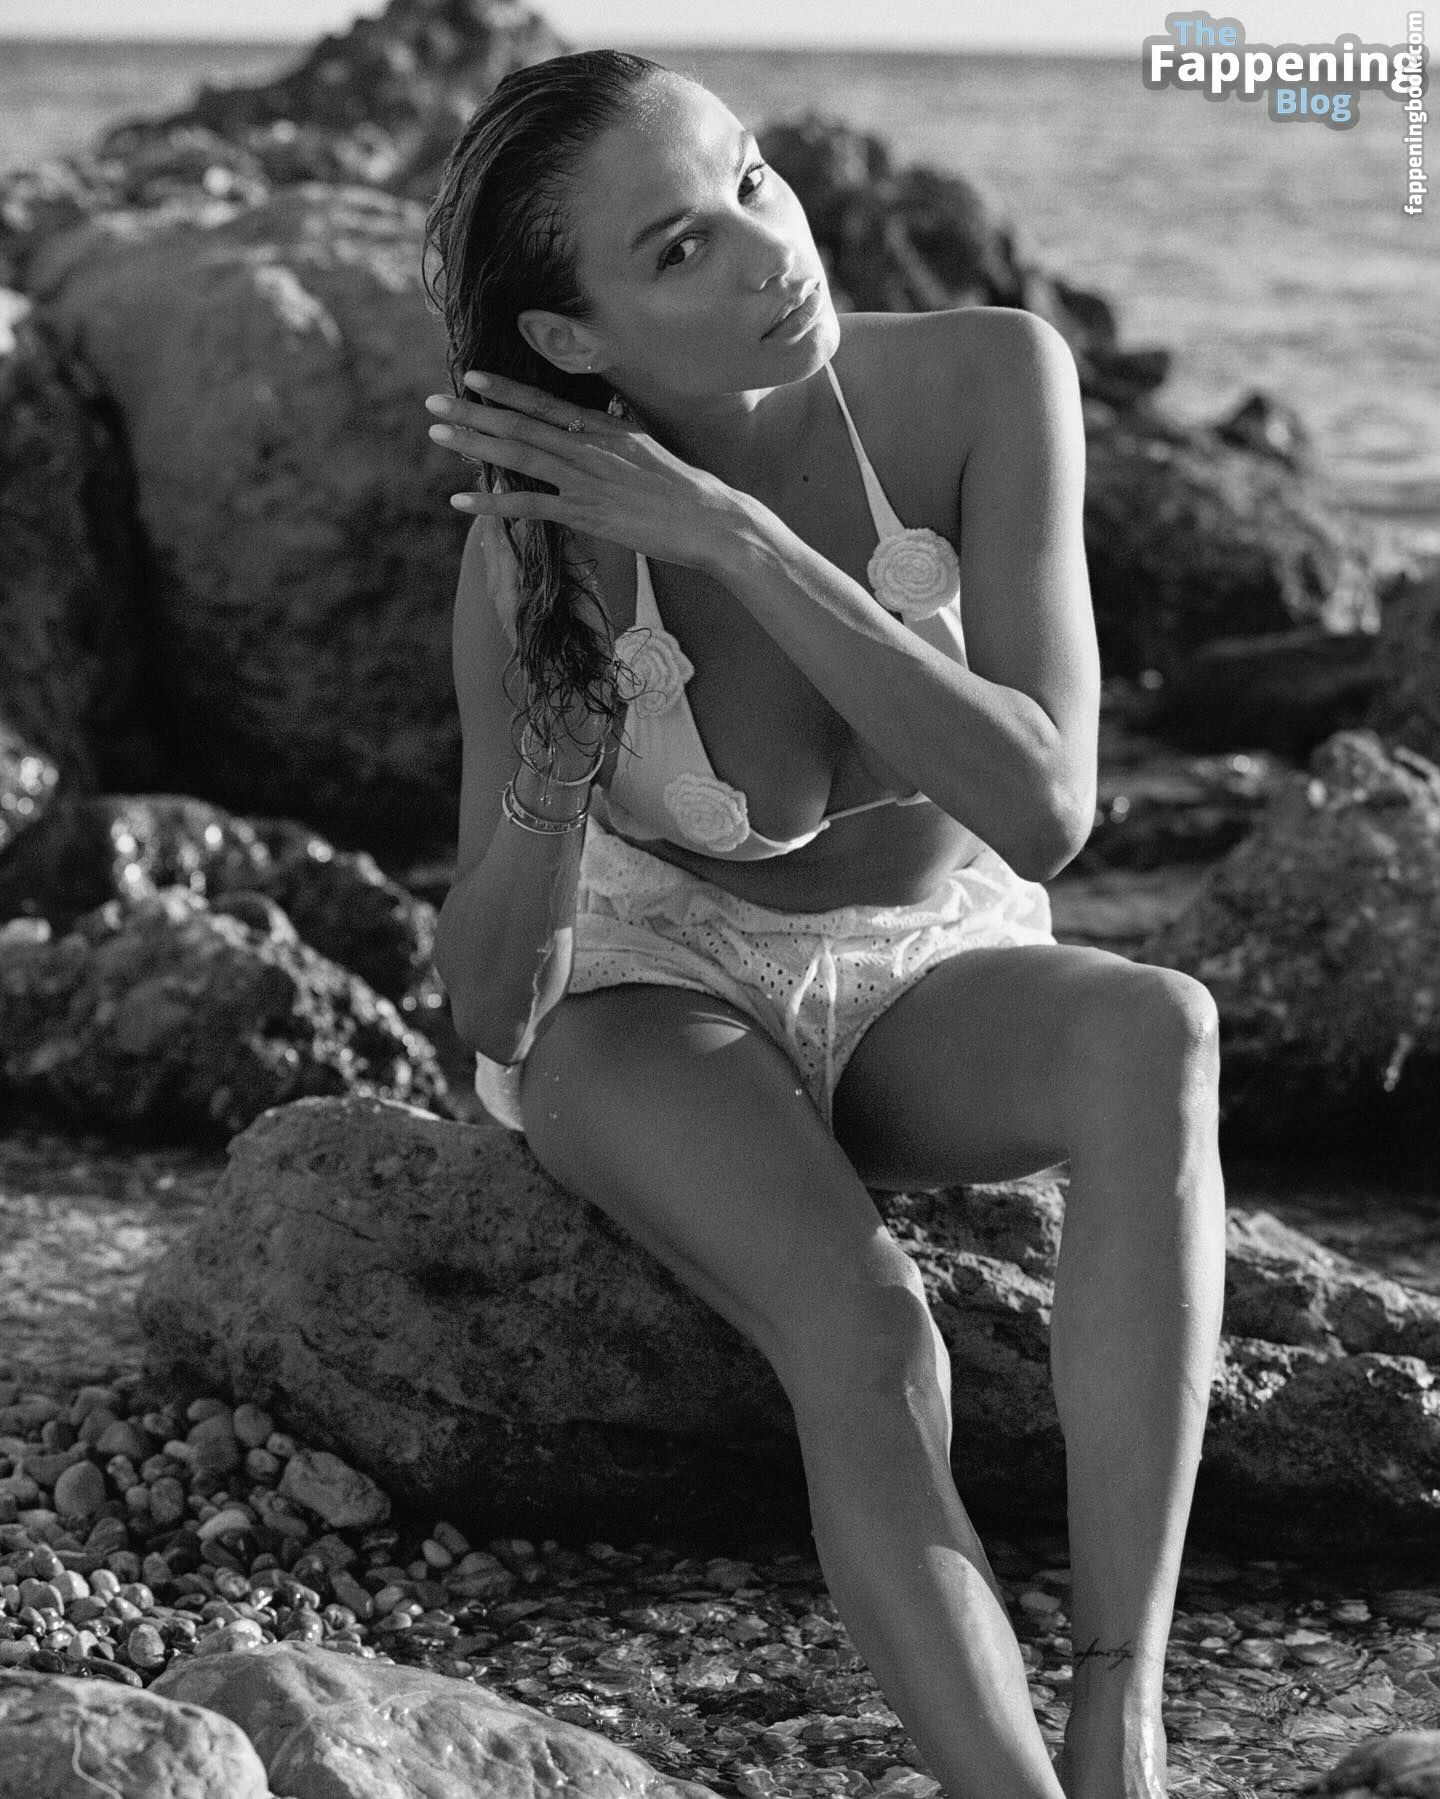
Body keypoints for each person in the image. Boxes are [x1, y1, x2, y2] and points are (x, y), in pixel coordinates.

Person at [421, 48, 1226, 1799]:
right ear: (570, 340)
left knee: (1156, 1028)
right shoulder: (539, 555)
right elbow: (490, 1005)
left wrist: (735, 537)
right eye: (680, 248)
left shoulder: (988, 378)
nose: (769, 248)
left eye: (752, 179)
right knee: (869, 1335)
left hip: (927, 964)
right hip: (652, 987)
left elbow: (1047, 807)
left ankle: (1121, 1708)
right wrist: (557, 773)